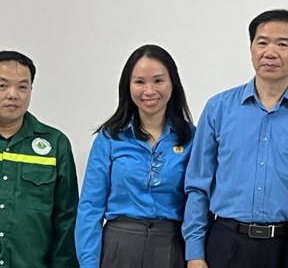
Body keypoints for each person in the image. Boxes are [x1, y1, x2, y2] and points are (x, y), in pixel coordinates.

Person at [183, 9, 288, 268]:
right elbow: (198, 186)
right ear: (251, 48)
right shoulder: (219, 108)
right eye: (262, 42)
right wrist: (195, 253)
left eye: (282, 44)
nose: (270, 53)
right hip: (227, 243)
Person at [76, 44, 195, 268]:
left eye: (158, 80)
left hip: (172, 247)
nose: (149, 91)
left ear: (173, 84)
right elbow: (90, 207)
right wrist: (88, 263)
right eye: (139, 82)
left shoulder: (192, 138)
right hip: (119, 246)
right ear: (127, 87)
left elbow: (199, 204)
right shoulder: (109, 138)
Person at [0, 50, 79, 268]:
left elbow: (67, 219)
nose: (13, 94)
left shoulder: (55, 144)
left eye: (22, 87)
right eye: (2, 86)